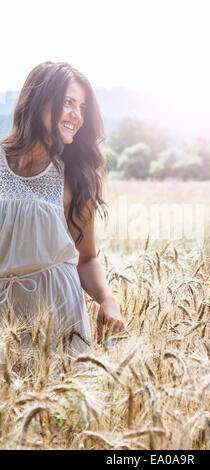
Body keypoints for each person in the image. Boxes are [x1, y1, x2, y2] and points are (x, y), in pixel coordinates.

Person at [0, 61, 125, 358]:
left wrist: (107, 298)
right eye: (68, 102)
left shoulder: (75, 176)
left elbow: (86, 258)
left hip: (60, 321)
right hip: (5, 323)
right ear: (38, 101)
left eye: (82, 107)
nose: (76, 115)